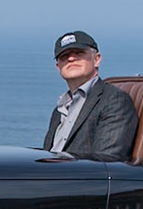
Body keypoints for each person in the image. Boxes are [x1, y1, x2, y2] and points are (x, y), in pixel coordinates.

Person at [42, 30, 137, 161]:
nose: (71, 58)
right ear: (58, 67)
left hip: (82, 179)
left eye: (79, 53)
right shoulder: (60, 109)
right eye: (64, 56)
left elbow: (107, 159)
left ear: (96, 59)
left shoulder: (114, 100)